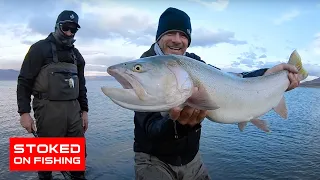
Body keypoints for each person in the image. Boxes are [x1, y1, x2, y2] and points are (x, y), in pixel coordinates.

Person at [133, 7, 300, 180]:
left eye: (183, 35)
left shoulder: (193, 61)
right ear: (158, 37)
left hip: (192, 160)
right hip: (154, 162)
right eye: (170, 33)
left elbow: (229, 80)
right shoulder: (145, 71)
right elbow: (150, 127)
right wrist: (175, 124)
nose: (177, 40)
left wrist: (268, 74)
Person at [17, 10, 89, 180]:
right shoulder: (39, 49)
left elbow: (82, 85)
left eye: (74, 30)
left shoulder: (76, 55)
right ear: (57, 26)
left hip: (73, 110)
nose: (70, 33)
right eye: (66, 28)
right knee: (46, 162)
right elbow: (24, 82)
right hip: (48, 109)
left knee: (77, 160)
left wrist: (84, 110)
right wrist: (24, 113)